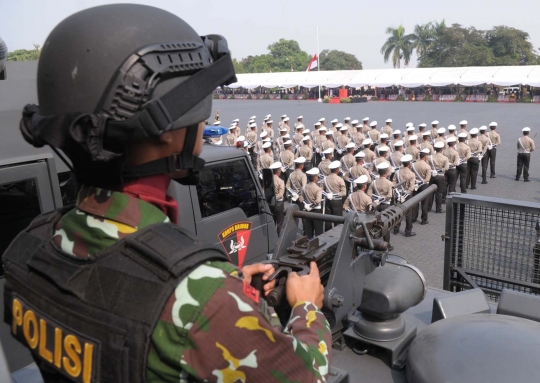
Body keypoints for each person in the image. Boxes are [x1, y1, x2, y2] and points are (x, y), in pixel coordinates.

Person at [6, 4, 330, 382]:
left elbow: (109, 289)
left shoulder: (27, 248)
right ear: (166, 129)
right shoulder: (204, 301)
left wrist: (226, 290)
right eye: (199, 106)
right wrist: (307, 308)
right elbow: (307, 376)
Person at [367, 162, 394, 248]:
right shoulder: (389, 183)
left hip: (376, 205)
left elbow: (369, 193)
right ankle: (387, 244)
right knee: (386, 224)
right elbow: (390, 195)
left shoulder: (374, 182)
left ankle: (374, 242)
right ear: (386, 172)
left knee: (375, 224)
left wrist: (377, 198)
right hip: (385, 205)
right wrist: (383, 198)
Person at [393, 155, 417, 237]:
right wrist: (406, 194)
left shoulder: (397, 172)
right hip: (407, 195)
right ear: (409, 164)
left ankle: (396, 229)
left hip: (398, 194)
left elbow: (394, 184)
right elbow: (411, 187)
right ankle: (408, 231)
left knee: (398, 212)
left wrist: (398, 194)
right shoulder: (412, 174)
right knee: (408, 213)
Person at [323, 161, 347, 231]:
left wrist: (328, 194)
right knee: (338, 221)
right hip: (337, 201)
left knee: (328, 220)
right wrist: (333, 194)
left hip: (328, 200)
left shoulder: (325, 179)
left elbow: (321, 190)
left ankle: (327, 234)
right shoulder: (340, 179)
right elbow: (344, 193)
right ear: (337, 170)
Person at [412, 149, 432, 225]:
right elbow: (427, 179)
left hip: (415, 185)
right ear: (425, 157)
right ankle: (424, 219)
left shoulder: (413, 164)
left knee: (415, 202)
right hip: (424, 185)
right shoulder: (427, 166)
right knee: (424, 203)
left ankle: (413, 218)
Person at [302, 168, 324, 238]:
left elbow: (301, 198)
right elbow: (318, 201)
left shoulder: (304, 187)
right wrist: (311, 206)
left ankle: (309, 243)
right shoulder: (318, 189)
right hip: (316, 210)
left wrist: (306, 205)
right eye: (317, 176)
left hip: (307, 210)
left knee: (309, 230)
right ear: (315, 178)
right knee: (318, 231)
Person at [428, 142, 449, 213]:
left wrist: (433, 170)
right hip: (440, 176)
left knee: (430, 192)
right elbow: (446, 168)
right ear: (442, 149)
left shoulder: (430, 157)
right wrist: (439, 170)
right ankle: (438, 209)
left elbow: (427, 167)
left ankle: (429, 208)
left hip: (432, 176)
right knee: (439, 193)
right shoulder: (445, 158)